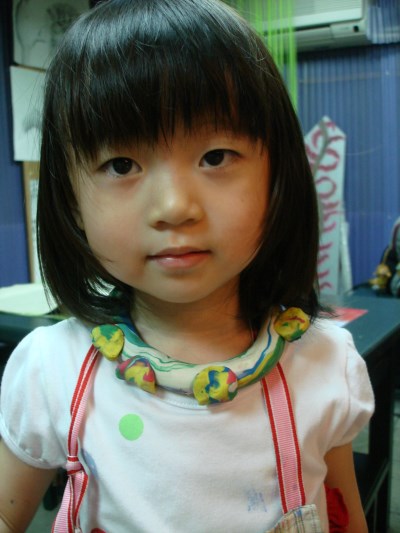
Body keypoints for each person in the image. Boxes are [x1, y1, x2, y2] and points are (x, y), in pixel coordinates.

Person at [0, 0, 374, 531]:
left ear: (277, 176)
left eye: (215, 156)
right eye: (122, 164)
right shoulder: (52, 370)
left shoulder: (325, 364)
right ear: (71, 201)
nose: (175, 207)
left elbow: (343, 516)